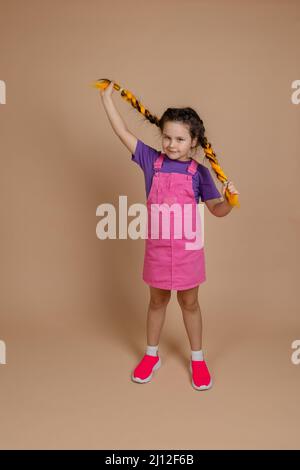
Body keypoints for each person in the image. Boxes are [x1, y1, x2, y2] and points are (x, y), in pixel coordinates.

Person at [99, 80, 240, 391]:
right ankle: (151, 355)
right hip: (158, 250)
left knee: (190, 303)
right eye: (166, 137)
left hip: (189, 251)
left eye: (179, 139)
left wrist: (229, 202)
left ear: (193, 142)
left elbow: (216, 210)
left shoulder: (200, 173)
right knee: (157, 301)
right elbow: (123, 132)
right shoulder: (151, 161)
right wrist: (107, 99)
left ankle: (198, 358)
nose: (171, 144)